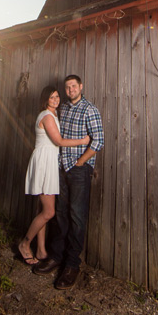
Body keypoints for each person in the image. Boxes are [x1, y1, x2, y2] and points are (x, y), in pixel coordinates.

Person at [32, 74, 104, 289]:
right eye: (68, 87)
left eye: (74, 86)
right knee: (61, 214)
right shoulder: (62, 108)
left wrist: (81, 161)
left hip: (78, 171)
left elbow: (98, 140)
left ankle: (72, 264)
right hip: (61, 168)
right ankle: (56, 256)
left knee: (77, 216)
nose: (71, 89)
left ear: (81, 86)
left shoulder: (89, 109)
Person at [18, 86, 90, 265]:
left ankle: (41, 251)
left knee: (42, 210)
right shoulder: (47, 115)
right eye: (52, 97)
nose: (56, 99)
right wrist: (82, 141)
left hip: (50, 161)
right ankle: (25, 244)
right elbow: (58, 141)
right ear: (45, 100)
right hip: (44, 161)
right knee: (49, 212)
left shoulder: (54, 114)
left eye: (57, 96)